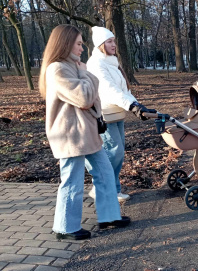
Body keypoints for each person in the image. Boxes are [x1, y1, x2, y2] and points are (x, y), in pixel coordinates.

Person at [38, 24, 130, 240]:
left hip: (86, 133)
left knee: (106, 173)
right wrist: (86, 74)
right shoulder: (58, 69)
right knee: (72, 180)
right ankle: (64, 227)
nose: (82, 49)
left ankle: (109, 216)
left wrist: (85, 76)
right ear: (65, 43)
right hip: (70, 135)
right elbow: (85, 98)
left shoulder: (74, 67)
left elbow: (91, 100)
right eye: (78, 44)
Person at [87, 26, 155, 201]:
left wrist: (137, 105)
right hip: (105, 113)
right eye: (109, 41)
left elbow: (122, 89)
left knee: (118, 152)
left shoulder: (112, 62)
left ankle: (113, 189)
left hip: (116, 112)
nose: (114, 44)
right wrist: (131, 105)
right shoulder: (96, 64)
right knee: (113, 152)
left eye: (114, 41)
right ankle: (100, 187)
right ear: (101, 44)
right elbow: (109, 89)